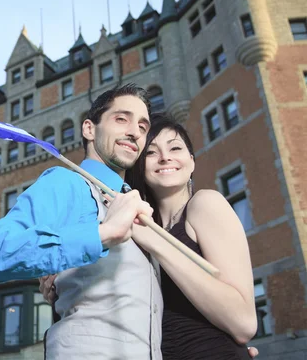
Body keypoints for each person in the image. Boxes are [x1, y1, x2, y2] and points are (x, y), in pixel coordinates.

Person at [0, 84, 163, 359]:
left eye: (143, 127)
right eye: (122, 119)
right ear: (89, 129)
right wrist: (102, 234)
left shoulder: (140, 207)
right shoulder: (67, 183)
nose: (135, 132)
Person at [40, 115, 260, 359]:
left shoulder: (204, 204)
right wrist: (61, 279)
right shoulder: (135, 229)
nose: (165, 157)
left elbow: (244, 323)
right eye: (151, 152)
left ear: (191, 161)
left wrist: (154, 242)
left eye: (175, 148)